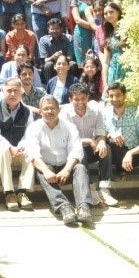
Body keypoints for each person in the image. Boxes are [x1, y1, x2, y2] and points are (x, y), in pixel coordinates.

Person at [25, 95, 93, 226]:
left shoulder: (70, 127)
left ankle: (84, 207)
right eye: (46, 109)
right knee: (42, 171)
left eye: (52, 108)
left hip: (66, 166)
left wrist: (67, 170)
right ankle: (64, 207)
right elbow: (33, 153)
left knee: (80, 168)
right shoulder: (34, 128)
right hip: (48, 167)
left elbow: (76, 150)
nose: (49, 112)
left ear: (58, 110)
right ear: (40, 111)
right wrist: (46, 171)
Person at [104, 83, 139, 209]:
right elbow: (99, 135)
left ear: (124, 95)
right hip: (116, 156)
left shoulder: (135, 114)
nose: (114, 99)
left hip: (132, 155)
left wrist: (130, 153)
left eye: (118, 95)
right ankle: (119, 172)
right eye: (111, 96)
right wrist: (110, 134)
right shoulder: (105, 114)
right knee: (114, 141)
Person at [60, 83, 116, 207]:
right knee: (80, 151)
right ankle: (90, 188)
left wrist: (101, 141)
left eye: (83, 98)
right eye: (76, 99)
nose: (80, 102)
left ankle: (104, 188)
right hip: (72, 151)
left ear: (88, 98)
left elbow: (101, 131)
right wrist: (89, 141)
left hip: (92, 147)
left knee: (106, 147)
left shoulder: (96, 111)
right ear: (70, 100)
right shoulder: (65, 113)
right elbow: (67, 139)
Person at [0, 78, 35, 211]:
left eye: (16, 91)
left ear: (22, 92)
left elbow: (29, 134)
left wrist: (20, 146)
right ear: (3, 92)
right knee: (3, 150)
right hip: (1, 149)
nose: (13, 94)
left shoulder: (27, 111)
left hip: (20, 148)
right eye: (9, 90)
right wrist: (10, 147)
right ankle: (9, 193)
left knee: (31, 151)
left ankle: (22, 192)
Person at [38, 17, 75, 83]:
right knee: (48, 65)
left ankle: (71, 84)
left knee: (73, 64)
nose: (55, 31)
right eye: (52, 29)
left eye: (57, 28)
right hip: (52, 62)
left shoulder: (68, 38)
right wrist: (53, 56)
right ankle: (50, 86)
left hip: (65, 61)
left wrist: (61, 58)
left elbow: (70, 57)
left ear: (61, 29)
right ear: (48, 30)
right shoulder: (43, 40)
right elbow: (44, 60)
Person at [70, 0, 96, 65]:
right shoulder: (75, 0)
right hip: (82, 34)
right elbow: (77, 20)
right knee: (85, 62)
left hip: (97, 33)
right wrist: (94, 27)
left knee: (98, 61)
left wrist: (98, 30)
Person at [102, 1, 126, 89]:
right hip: (113, 71)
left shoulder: (127, 29)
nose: (108, 15)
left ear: (118, 12)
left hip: (127, 69)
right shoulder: (108, 34)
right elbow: (106, 62)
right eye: (105, 13)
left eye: (111, 12)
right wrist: (105, 84)